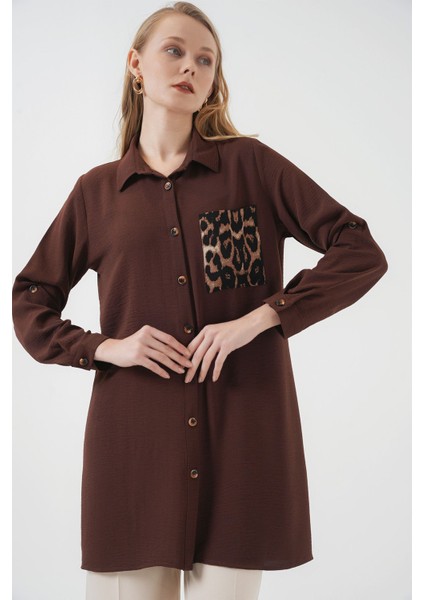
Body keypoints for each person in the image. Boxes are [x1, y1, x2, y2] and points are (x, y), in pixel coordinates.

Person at [11, 2, 389, 599]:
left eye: (205, 60)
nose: (191, 66)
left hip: (241, 445)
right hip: (134, 453)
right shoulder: (97, 194)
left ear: (214, 81)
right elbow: (32, 298)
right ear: (136, 64)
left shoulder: (251, 168)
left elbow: (359, 249)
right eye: (175, 50)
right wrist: (108, 347)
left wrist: (262, 317)